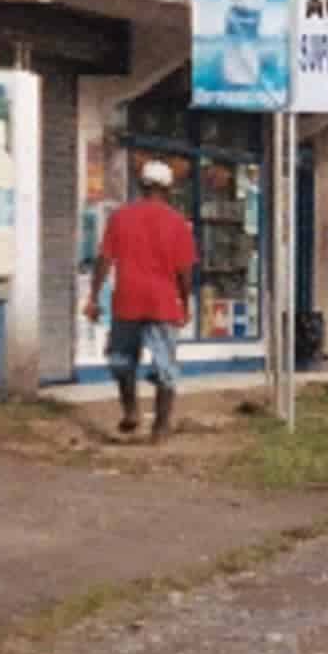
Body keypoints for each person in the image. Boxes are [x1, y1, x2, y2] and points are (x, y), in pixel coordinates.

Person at [85, 158, 196, 444]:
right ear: (168, 189)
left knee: (122, 361)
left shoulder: (120, 218)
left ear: (140, 185)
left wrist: (93, 297)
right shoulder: (178, 223)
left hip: (127, 302)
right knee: (165, 368)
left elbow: (104, 259)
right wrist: (185, 302)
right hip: (162, 303)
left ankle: (131, 410)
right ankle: (160, 427)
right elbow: (184, 271)